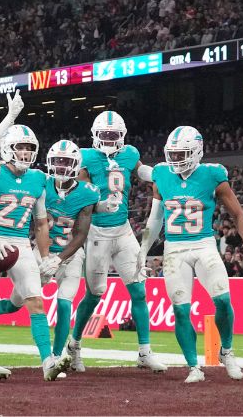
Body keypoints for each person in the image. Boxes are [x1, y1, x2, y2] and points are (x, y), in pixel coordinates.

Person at [140, 126, 243, 383]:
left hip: (204, 244)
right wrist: (141, 253)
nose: (176, 160)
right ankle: (193, 366)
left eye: (182, 153)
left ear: (197, 152)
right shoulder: (161, 174)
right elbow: (154, 220)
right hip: (174, 249)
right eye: (173, 154)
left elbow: (238, 214)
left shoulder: (212, 174)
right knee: (181, 310)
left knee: (222, 300)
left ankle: (227, 350)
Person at [65, 110, 168, 373]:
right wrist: (99, 205)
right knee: (94, 294)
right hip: (96, 232)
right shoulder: (85, 157)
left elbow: (140, 170)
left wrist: (158, 172)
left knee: (138, 291)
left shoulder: (129, 153)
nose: (109, 140)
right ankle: (73, 345)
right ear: (95, 136)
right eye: (105, 135)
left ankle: (145, 352)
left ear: (122, 136)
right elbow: (80, 196)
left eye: (113, 135)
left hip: (123, 231)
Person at [0, 125, 61, 381]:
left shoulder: (38, 178)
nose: (25, 152)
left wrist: (45, 258)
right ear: (8, 148)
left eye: (29, 148)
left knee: (34, 299)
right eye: (20, 147)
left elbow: (41, 222)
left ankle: (48, 361)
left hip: (21, 243)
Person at [41, 140, 100, 372]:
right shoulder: (41, 183)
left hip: (71, 254)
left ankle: (56, 358)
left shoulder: (87, 193)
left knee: (65, 304)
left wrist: (59, 259)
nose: (61, 167)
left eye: (66, 162)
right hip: (42, 251)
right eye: (57, 161)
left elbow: (81, 234)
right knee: (18, 302)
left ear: (76, 165)